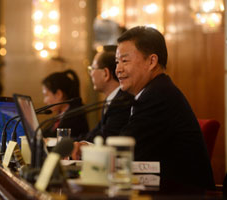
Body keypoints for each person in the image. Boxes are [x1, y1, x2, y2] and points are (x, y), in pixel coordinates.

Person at [114, 26, 214, 189]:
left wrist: (92, 153)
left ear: (152, 61)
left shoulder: (159, 95)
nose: (118, 69)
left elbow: (126, 151)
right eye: (117, 62)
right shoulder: (153, 91)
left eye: (125, 61)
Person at [83, 45, 133, 142]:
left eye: (92, 69)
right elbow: (96, 132)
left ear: (106, 73)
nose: (91, 74)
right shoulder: (111, 99)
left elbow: (106, 136)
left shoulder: (122, 101)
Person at [41, 69, 89, 140]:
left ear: (59, 94)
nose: (44, 101)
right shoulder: (61, 114)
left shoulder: (74, 116)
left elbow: (60, 139)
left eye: (46, 95)